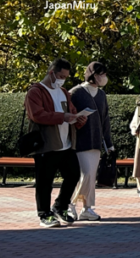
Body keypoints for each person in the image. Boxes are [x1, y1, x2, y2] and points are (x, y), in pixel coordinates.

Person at [24, 58, 86, 228]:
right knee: (45, 181)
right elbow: (37, 115)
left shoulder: (64, 92)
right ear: (51, 73)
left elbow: (71, 112)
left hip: (66, 143)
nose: (63, 79)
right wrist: (62, 117)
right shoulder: (36, 92)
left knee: (73, 175)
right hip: (47, 143)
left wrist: (79, 118)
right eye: (60, 76)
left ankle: (60, 206)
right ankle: (44, 213)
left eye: (65, 76)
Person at [68, 61, 113, 221]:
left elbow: (105, 119)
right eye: (101, 74)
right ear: (93, 75)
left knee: (91, 175)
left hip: (96, 142)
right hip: (79, 140)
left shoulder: (101, 95)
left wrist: (109, 143)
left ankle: (87, 208)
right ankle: (69, 203)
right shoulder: (76, 92)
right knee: (85, 174)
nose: (104, 77)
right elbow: (68, 114)